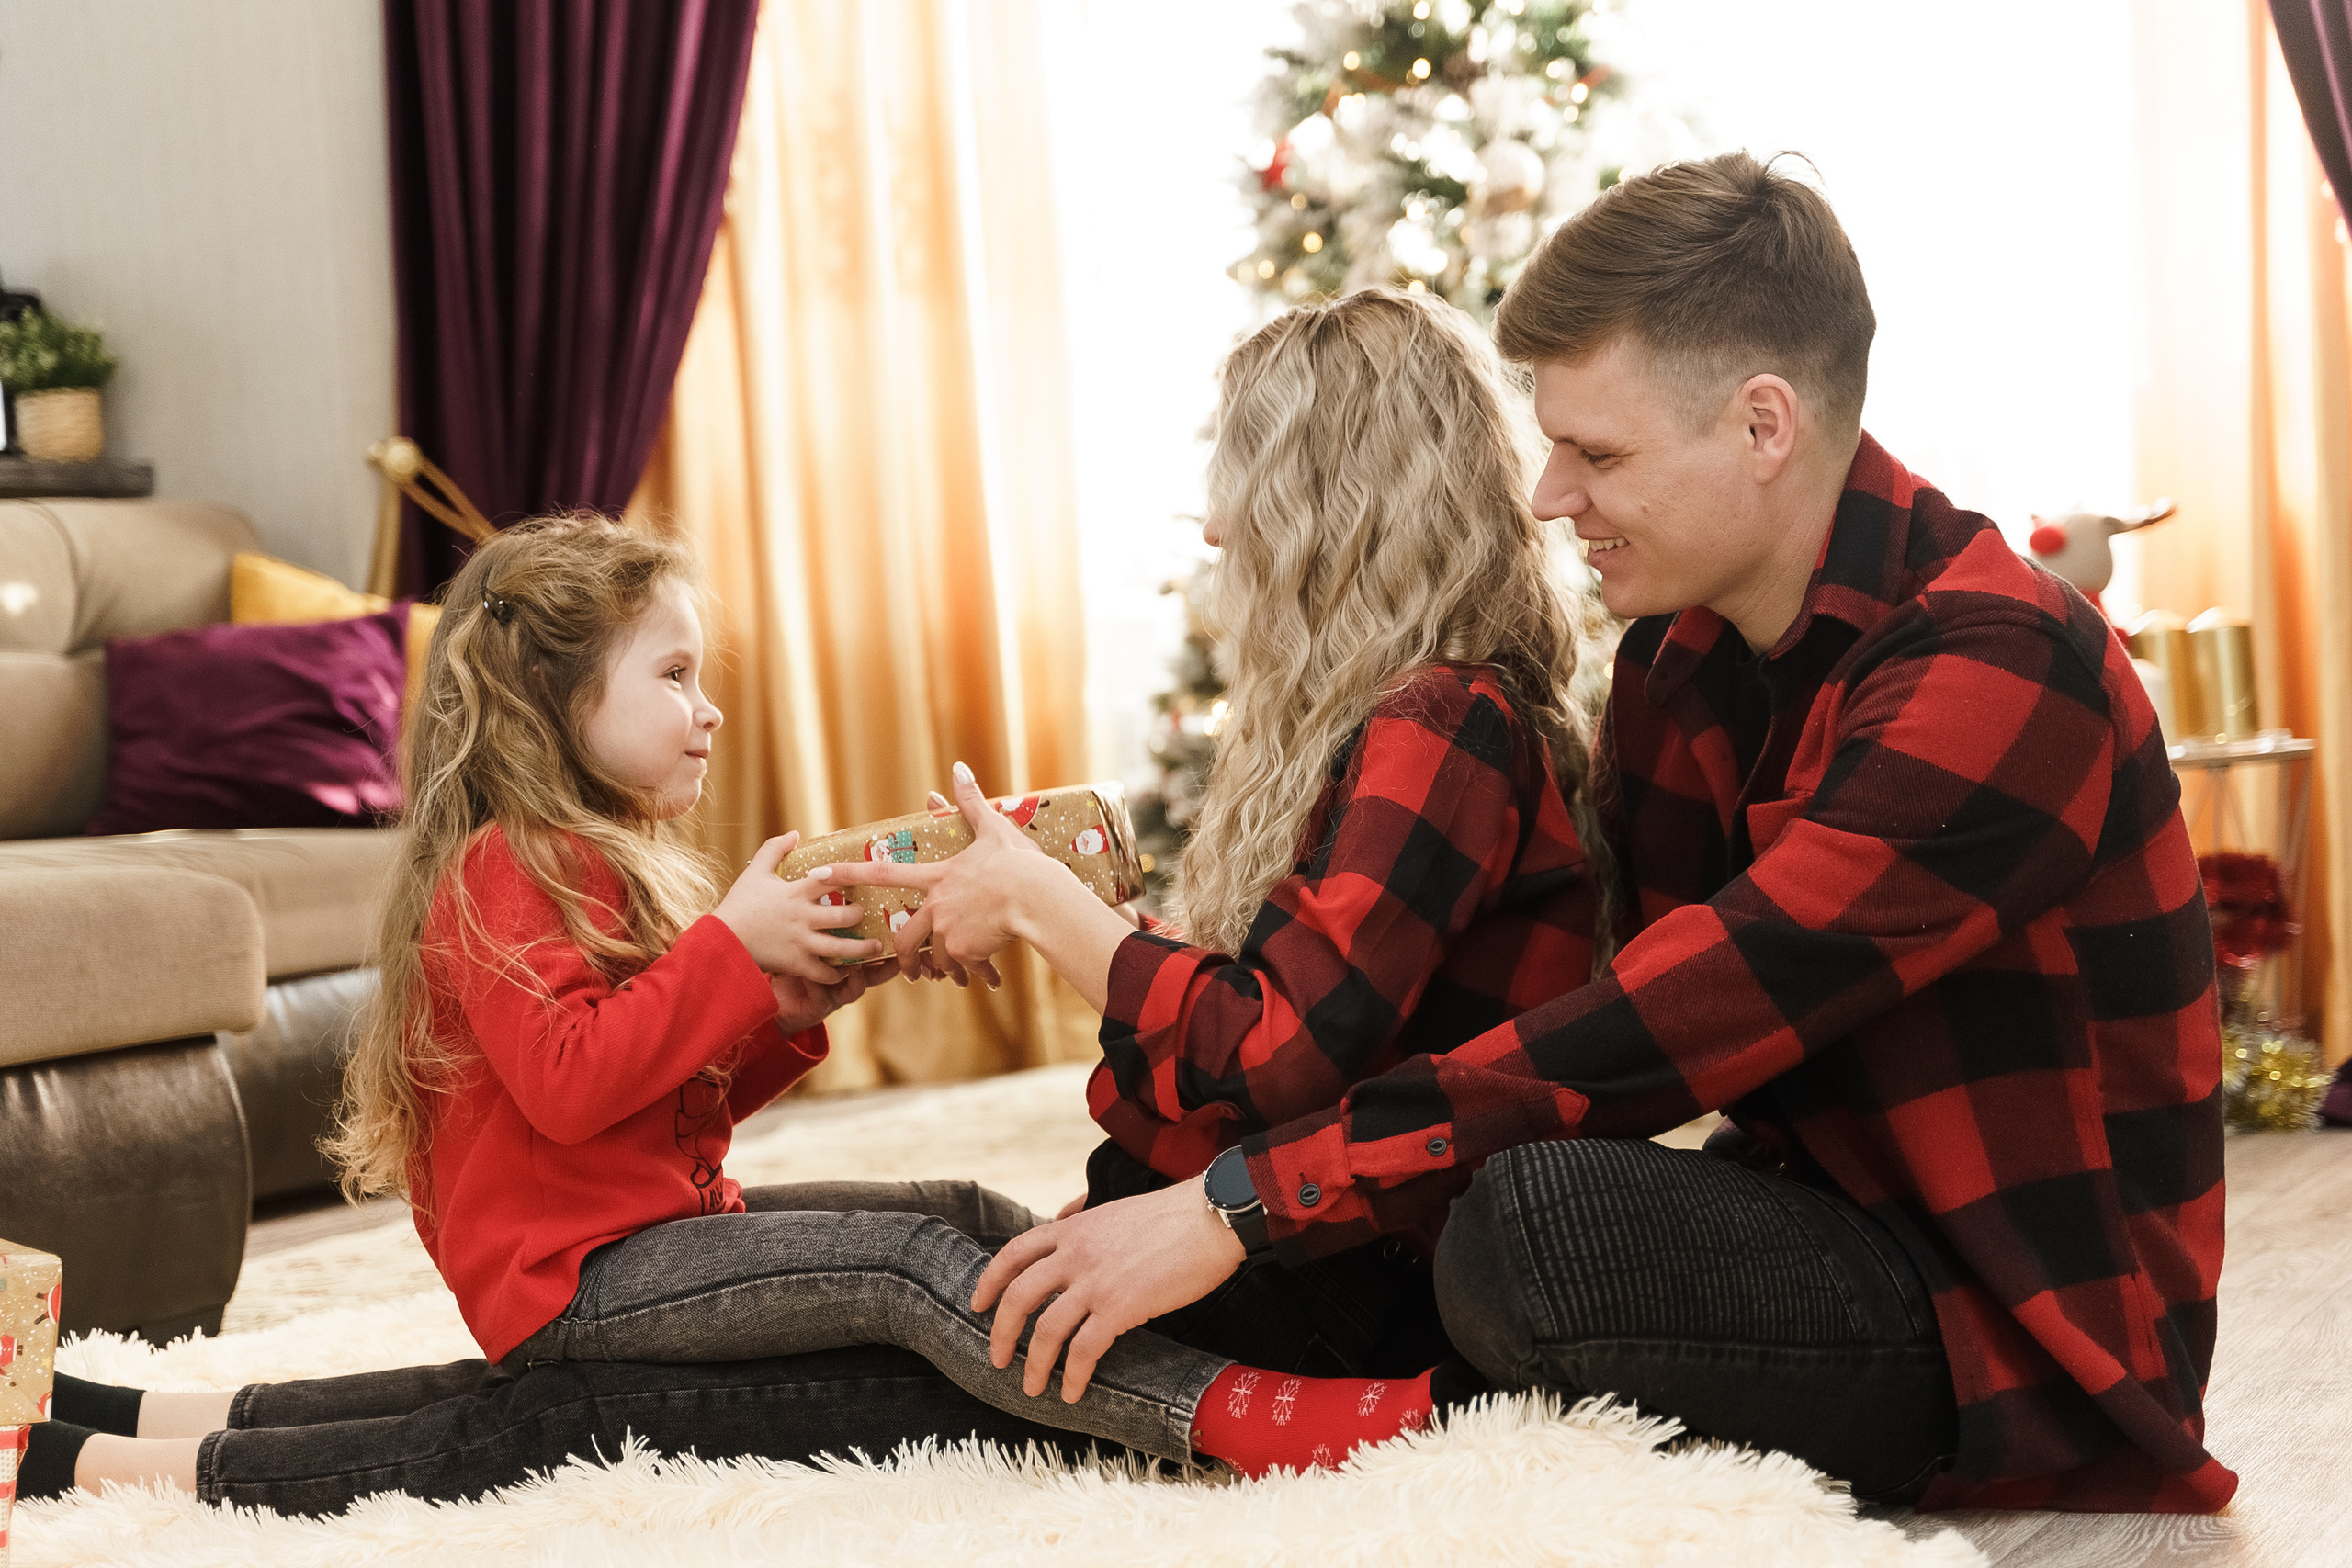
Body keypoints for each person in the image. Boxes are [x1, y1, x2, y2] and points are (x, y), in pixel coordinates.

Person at [25, 288, 1609, 1508]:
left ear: (1333, 503)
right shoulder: (515, 869)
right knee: (711, 1365)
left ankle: (109, 1437)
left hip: (1311, 1269)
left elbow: (1272, 1049)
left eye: (1238, 486)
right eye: (673, 678)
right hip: (590, 1276)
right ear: (555, 705)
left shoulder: (1437, 725)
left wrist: (825, 987)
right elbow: (587, 1083)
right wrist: (766, 963)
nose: (1211, 527)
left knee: (926, 1263)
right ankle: (114, 1445)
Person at [955, 152, 2236, 1512]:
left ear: (1763, 426)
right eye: (1554, 446)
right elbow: (1549, 1008)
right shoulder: (1680, 664)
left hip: (2014, 1331)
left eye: (1599, 454)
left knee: (1532, 1228)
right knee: (1070, 1265)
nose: (1549, 496)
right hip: (1811, 1220)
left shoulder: (1999, 667)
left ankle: (1376, 1418)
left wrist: (1243, 1202)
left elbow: (1660, 1025)